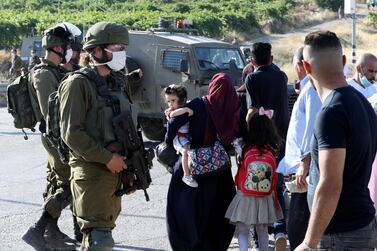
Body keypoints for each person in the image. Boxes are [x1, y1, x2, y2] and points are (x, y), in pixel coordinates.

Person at [59, 21, 137, 250]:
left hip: (114, 171)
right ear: (96, 50)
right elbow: (71, 134)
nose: (121, 53)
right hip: (92, 172)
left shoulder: (116, 82)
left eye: (123, 48)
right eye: (116, 47)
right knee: (99, 241)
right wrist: (107, 158)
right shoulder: (77, 84)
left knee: (102, 236)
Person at [295, 30, 377, 250]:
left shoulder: (332, 112)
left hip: (340, 235)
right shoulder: (361, 102)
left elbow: (331, 183)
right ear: (343, 62)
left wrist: (308, 243)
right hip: (359, 225)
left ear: (307, 68)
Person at [165, 72, 243, 250]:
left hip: (193, 166)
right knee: (218, 209)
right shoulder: (234, 106)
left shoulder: (199, 104)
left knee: (186, 209)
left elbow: (174, 124)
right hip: (219, 167)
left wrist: (170, 140)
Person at [22, 23, 79, 251]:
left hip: (61, 136)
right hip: (56, 136)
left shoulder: (58, 71)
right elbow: (51, 112)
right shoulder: (44, 75)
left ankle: (51, 230)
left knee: (57, 182)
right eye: (68, 47)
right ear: (57, 47)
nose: (72, 51)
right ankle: (37, 230)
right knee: (69, 184)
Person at [245, 42, 289, 250]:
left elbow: (253, 110)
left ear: (252, 61)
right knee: (277, 186)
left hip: (259, 141)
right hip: (280, 140)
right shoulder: (281, 77)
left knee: (257, 188)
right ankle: (280, 229)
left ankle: (257, 240)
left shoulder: (252, 78)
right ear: (271, 59)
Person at [277, 46, 322, 250]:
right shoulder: (309, 88)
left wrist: (304, 163)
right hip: (305, 166)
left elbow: (312, 128)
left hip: (307, 168)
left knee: (298, 227)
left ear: (300, 66)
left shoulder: (312, 89)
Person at [226, 108, 283, 251]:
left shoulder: (245, 148)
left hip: (246, 195)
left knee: (243, 229)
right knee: (262, 230)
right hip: (265, 196)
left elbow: (241, 170)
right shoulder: (273, 149)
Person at [163, 84, 197, 188]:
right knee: (185, 151)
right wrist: (186, 110)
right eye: (168, 101)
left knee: (191, 153)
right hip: (179, 137)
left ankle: (191, 172)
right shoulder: (171, 111)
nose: (170, 104)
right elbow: (172, 115)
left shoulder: (185, 105)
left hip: (187, 137)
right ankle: (186, 176)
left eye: (173, 100)